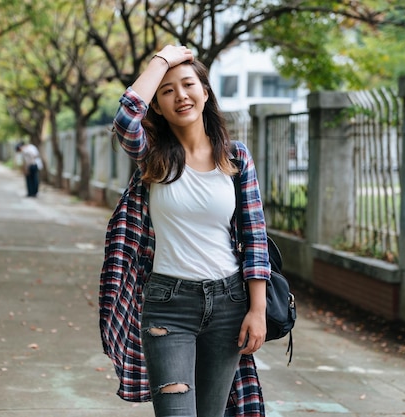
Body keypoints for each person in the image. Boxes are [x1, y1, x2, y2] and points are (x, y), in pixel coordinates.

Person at [99, 45, 270, 417]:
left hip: (228, 304)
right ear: (156, 106)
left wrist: (257, 310)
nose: (181, 96)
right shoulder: (153, 155)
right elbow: (126, 120)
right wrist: (162, 60)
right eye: (167, 90)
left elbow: (255, 239)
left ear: (205, 92)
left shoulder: (236, 158)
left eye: (188, 84)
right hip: (168, 307)